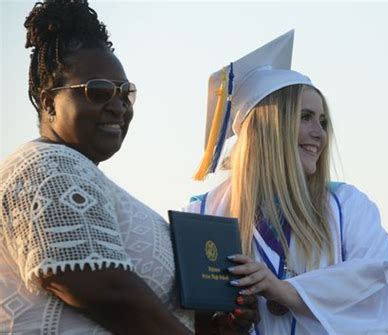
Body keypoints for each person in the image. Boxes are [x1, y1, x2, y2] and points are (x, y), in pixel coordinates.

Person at [0, 1, 256, 334]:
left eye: (125, 93)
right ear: (49, 102)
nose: (118, 106)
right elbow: (112, 295)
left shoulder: (88, 177)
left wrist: (216, 321)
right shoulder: (46, 166)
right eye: (99, 91)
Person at [186, 30, 388, 334]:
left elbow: (372, 275)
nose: (320, 134)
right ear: (269, 127)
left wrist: (286, 291)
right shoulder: (203, 214)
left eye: (322, 122)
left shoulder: (348, 207)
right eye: (306, 117)